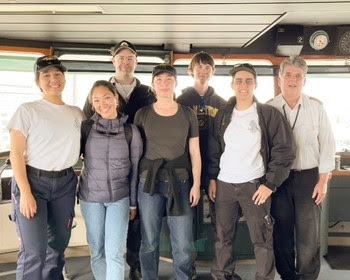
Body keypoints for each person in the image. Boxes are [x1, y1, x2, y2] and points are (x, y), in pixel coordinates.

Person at [208, 63, 296, 280]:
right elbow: (214, 149)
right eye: (239, 80)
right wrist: (212, 179)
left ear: (255, 84)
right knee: (222, 238)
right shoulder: (222, 115)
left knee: (262, 239)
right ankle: (222, 276)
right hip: (225, 185)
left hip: (254, 185)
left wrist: (270, 184)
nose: (243, 85)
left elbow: (285, 150)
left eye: (248, 80)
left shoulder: (267, 114)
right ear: (232, 85)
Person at [83, 40, 155, 280]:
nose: (125, 62)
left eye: (130, 58)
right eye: (120, 58)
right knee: (99, 248)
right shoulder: (98, 92)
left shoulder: (147, 92)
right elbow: (85, 133)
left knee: (134, 228)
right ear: (113, 61)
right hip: (94, 189)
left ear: (136, 62)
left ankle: (135, 265)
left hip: (132, 166)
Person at [7, 55, 84, 280]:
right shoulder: (27, 110)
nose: (53, 79)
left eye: (57, 74)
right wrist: (25, 193)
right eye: (46, 75)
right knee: (34, 251)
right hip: (32, 182)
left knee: (58, 246)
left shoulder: (76, 113)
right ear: (37, 82)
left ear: (64, 78)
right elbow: (16, 154)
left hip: (65, 182)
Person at [267, 56, 336, 280]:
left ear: (304, 80)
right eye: (288, 75)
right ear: (280, 79)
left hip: (309, 178)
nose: (293, 80)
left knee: (309, 235)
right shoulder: (269, 108)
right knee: (282, 233)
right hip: (279, 179)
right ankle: (288, 276)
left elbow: (327, 144)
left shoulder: (316, 107)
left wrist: (323, 181)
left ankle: (307, 277)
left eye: (298, 76)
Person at [134, 64, 201, 280]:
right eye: (159, 80)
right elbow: (135, 155)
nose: (164, 84)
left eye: (168, 79)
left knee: (182, 242)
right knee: (149, 239)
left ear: (175, 83)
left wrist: (196, 185)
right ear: (153, 85)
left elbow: (195, 153)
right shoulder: (142, 114)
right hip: (148, 182)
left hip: (180, 182)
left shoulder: (187, 114)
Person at [78, 80, 143, 280]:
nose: (102, 103)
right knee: (97, 250)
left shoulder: (131, 131)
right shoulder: (86, 127)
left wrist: (132, 203)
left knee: (114, 252)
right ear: (91, 103)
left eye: (106, 97)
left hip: (119, 198)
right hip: (90, 198)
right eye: (96, 100)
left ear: (116, 98)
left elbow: (135, 170)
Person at [177, 51, 227, 279]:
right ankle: (189, 268)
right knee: (187, 224)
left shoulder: (222, 104)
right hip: (188, 171)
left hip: (216, 170)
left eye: (208, 67)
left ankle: (221, 269)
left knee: (221, 222)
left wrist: (215, 174)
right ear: (191, 70)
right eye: (199, 66)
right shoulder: (180, 101)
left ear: (213, 72)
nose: (203, 71)